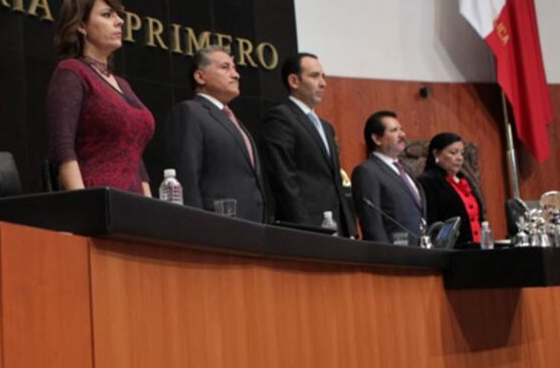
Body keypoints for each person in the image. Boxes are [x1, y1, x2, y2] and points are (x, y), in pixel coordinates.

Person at [45, 0, 155, 195]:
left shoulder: (123, 84)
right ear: (82, 25)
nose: (120, 21)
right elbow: (62, 148)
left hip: (135, 207)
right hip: (96, 203)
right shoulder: (72, 71)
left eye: (118, 15)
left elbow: (135, 155)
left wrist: (150, 208)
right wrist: (82, 206)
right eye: (107, 15)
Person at [162, 46, 268, 222]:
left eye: (234, 68)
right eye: (225, 67)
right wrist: (195, 228)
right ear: (200, 77)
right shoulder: (189, 112)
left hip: (253, 227)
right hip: (215, 227)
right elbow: (187, 177)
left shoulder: (234, 120)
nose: (236, 75)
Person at [261, 52, 356, 236]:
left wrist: (349, 226)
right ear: (294, 81)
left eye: (323, 76)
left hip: (338, 226)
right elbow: (284, 179)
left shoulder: (326, 127)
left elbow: (334, 182)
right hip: (308, 227)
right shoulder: (280, 118)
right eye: (314, 76)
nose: (323, 83)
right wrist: (305, 229)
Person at [351, 111, 426, 244]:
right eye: (394, 130)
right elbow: (372, 224)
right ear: (376, 139)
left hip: (419, 250)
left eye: (401, 129)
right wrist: (385, 258)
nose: (402, 135)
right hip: (395, 254)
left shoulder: (405, 169)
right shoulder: (367, 171)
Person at [417, 132, 485, 247]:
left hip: (478, 246)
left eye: (461, 153)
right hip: (452, 250)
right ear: (436, 154)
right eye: (453, 153)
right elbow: (431, 223)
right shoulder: (427, 181)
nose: (459, 158)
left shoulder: (464, 180)